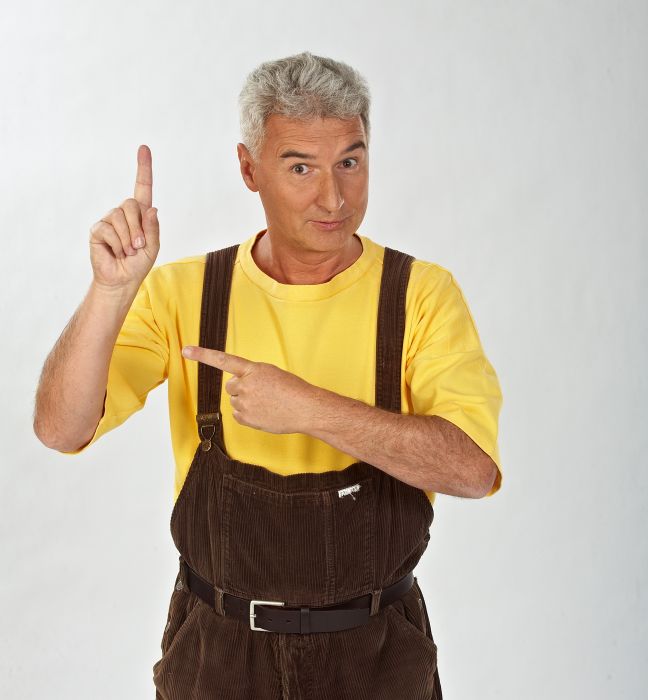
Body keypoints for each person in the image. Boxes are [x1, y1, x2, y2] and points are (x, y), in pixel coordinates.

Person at [33, 51, 503, 699]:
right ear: (249, 169)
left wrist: (309, 409)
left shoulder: (419, 295)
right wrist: (110, 292)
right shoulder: (186, 293)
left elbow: (472, 469)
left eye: (350, 162)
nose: (333, 197)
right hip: (217, 658)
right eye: (301, 167)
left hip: (376, 661)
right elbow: (60, 428)